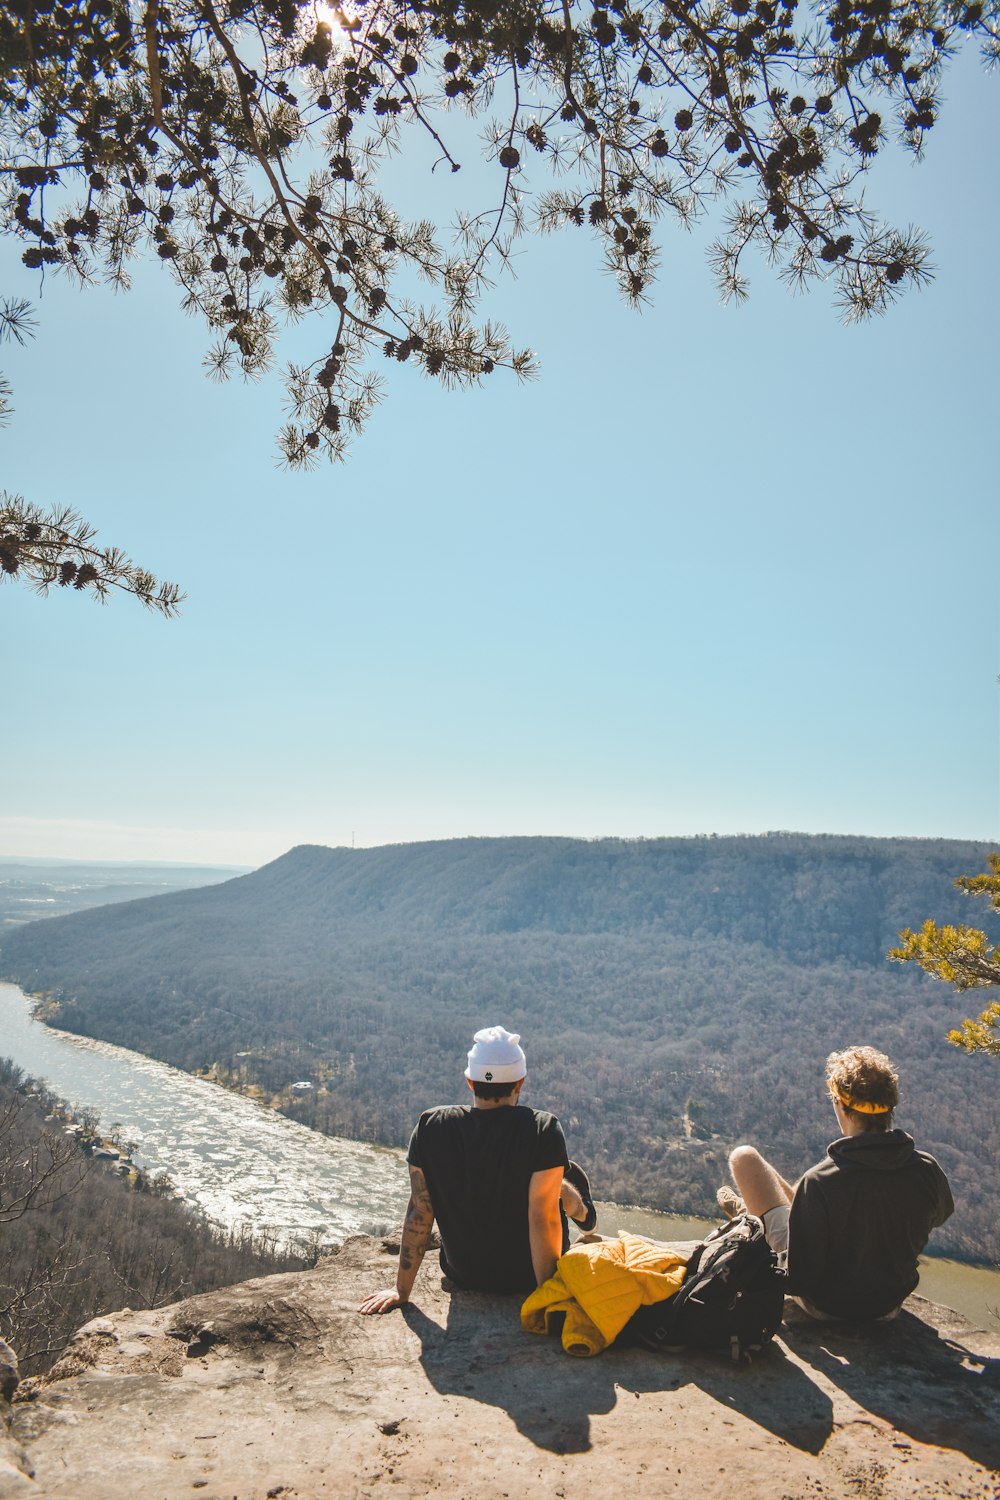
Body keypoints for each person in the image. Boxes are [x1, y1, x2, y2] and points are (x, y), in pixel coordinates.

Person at [359, 1025, 596, 1313]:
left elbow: (420, 1211)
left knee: (535, 1180)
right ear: (520, 1082)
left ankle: (568, 1192)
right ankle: (581, 1209)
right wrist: (546, 1299)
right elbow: (542, 1219)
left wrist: (401, 1291)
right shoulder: (542, 1129)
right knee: (552, 1189)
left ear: (470, 1082)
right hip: (525, 1279)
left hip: (463, 1276)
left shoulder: (430, 1126)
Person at [720, 1045, 954, 1322]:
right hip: (887, 1307)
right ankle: (787, 1215)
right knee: (807, 1204)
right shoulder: (926, 1170)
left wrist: (764, 1252)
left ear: (839, 1104)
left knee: (744, 1157)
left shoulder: (821, 1181)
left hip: (824, 1306)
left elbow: (797, 1281)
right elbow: (940, 1216)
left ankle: (751, 1219)